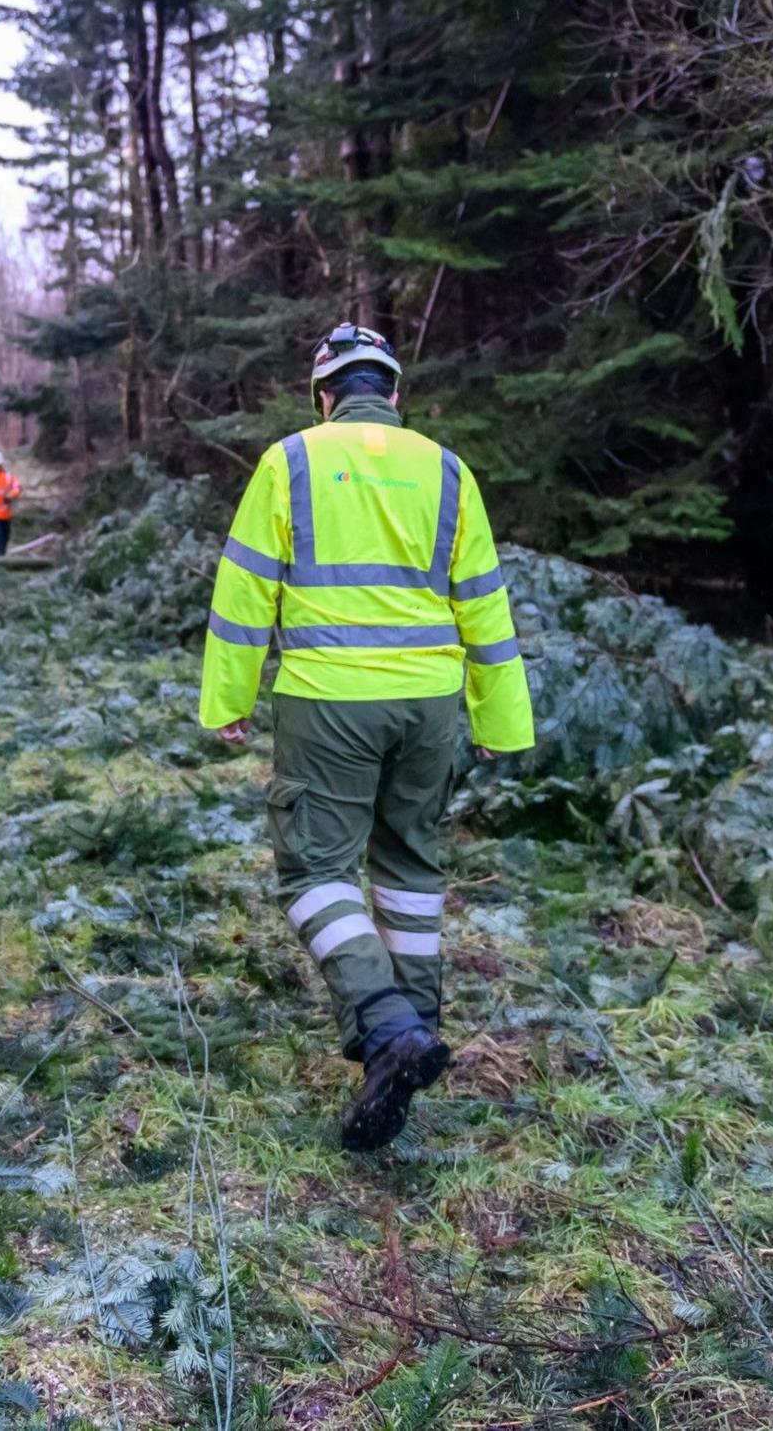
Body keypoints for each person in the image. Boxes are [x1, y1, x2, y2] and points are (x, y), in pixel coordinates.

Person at [197, 323, 534, 1151]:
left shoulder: (291, 461)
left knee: (313, 866)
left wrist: (227, 699)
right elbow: (484, 603)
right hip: (431, 705)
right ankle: (408, 1041)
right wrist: (500, 719)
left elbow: (246, 593)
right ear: (394, 393)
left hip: (329, 698)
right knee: (410, 869)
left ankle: (384, 1025)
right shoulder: (448, 470)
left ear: (324, 395)